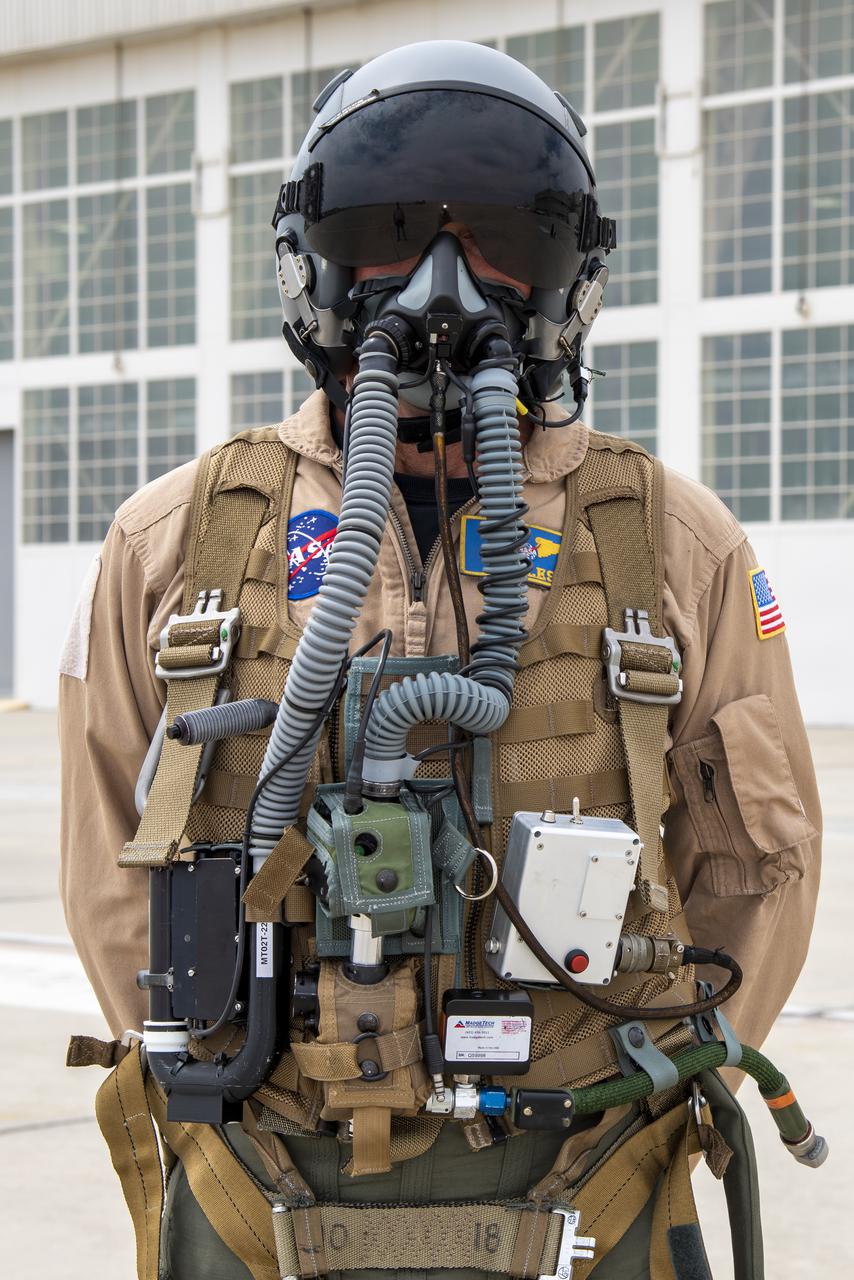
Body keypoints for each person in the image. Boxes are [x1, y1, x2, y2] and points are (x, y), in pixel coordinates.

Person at [60, 40, 821, 1280]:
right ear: (314, 261)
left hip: (593, 1171)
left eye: (498, 246)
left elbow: (762, 865)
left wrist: (654, 1074)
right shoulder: (174, 538)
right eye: (393, 232)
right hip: (260, 1180)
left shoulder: (674, 543)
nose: (440, 285)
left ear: (564, 276)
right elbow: (107, 859)